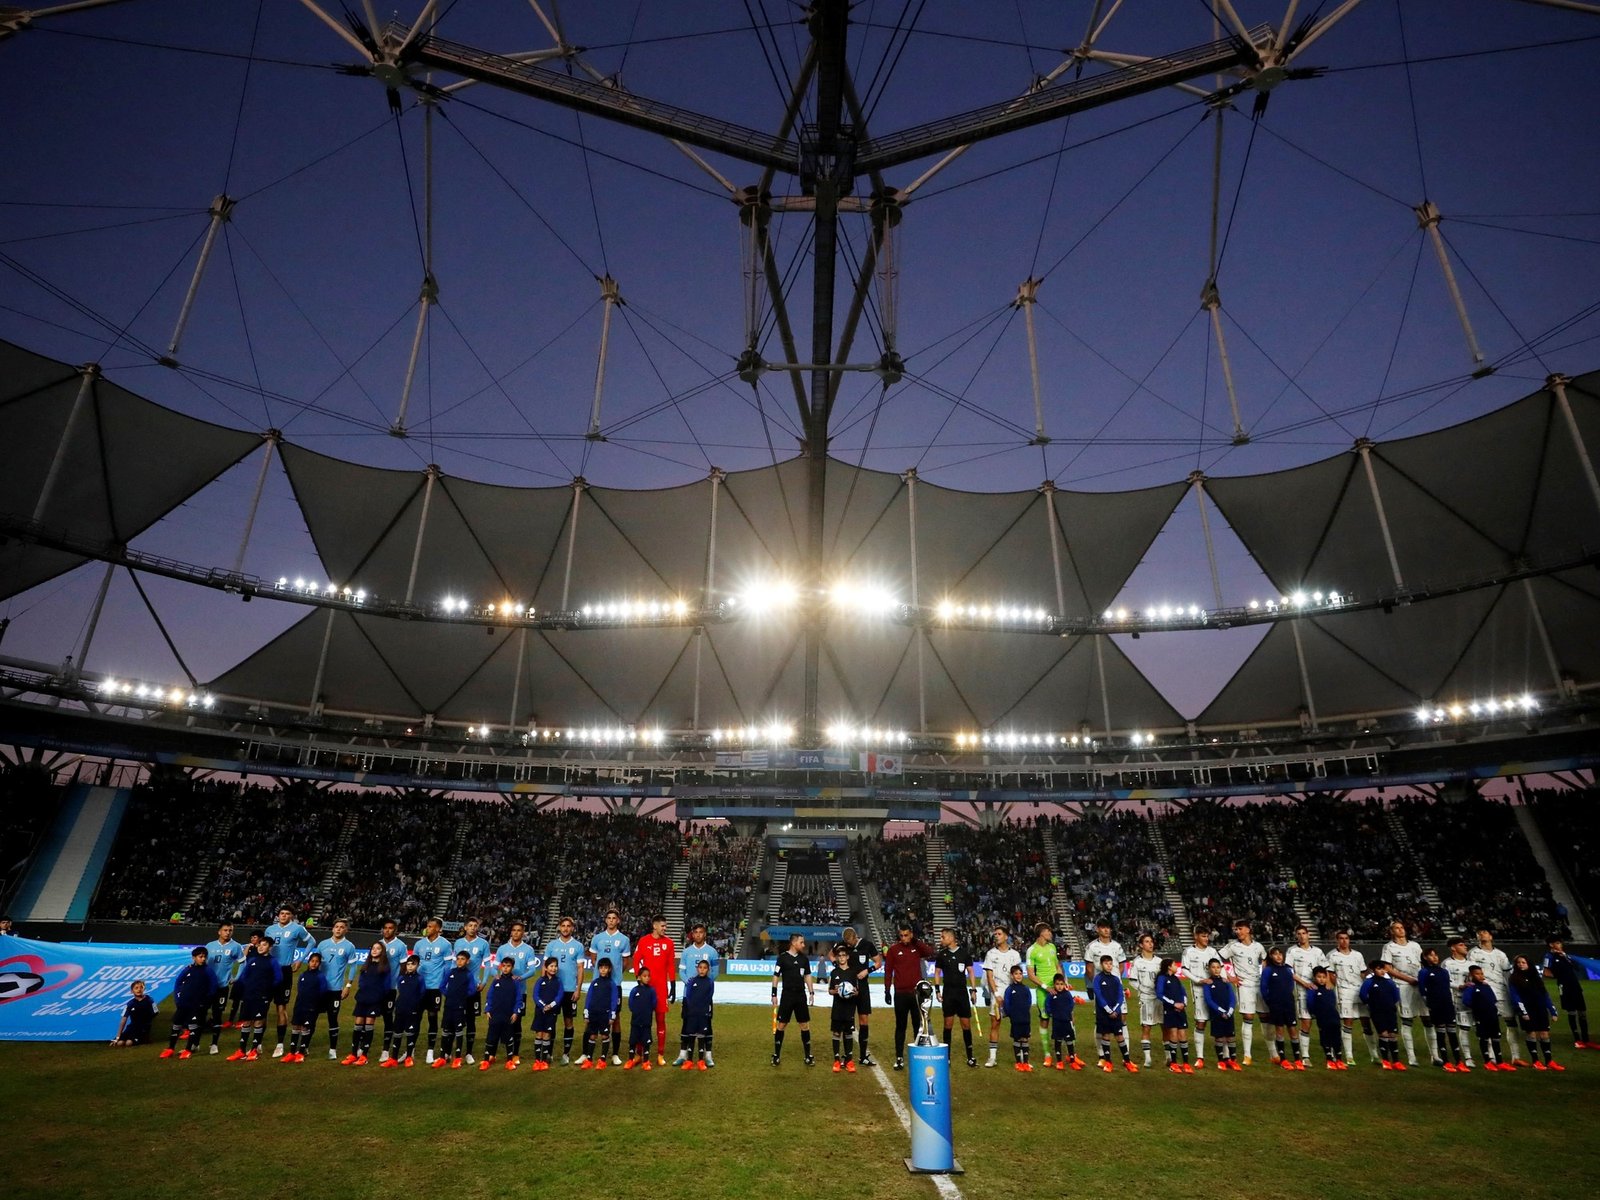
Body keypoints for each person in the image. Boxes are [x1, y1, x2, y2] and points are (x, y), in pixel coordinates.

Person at [263, 905, 314, 1058]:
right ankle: (257, 1043)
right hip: (268, 970)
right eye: (282, 913)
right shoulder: (269, 930)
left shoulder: (297, 929)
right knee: (263, 1006)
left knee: (281, 1007)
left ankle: (280, 1044)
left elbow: (312, 942)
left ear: (291, 916)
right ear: (278, 915)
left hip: (284, 970)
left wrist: (300, 959)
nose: (284, 916)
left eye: (287, 914)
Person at [1469, 928, 1524, 1066]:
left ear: (1491, 936)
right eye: (1479, 933)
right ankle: (1492, 1057)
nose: (1482, 934)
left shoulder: (1500, 954)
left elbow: (1507, 975)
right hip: (1486, 994)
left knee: (1511, 1023)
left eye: (1485, 932)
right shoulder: (1473, 953)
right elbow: (1470, 974)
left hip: (1502, 992)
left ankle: (1516, 1057)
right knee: (1489, 1026)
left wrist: (1511, 991)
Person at [884, 923, 935, 1070]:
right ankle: (899, 1057)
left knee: (917, 1026)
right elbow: (888, 971)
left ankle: (917, 1056)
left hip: (916, 994)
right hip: (900, 994)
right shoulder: (894, 950)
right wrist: (887, 990)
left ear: (911, 934)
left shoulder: (917, 948)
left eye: (906, 935)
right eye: (901, 935)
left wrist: (916, 941)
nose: (904, 938)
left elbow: (930, 951)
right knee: (900, 1026)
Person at [311, 918, 362, 1061]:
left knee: (332, 1019)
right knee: (312, 1017)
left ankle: (332, 1049)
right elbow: (314, 963)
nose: (338, 929)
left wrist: (348, 986)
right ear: (332, 929)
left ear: (346, 930)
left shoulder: (349, 946)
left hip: (335, 990)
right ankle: (304, 1047)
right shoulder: (323, 944)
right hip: (319, 989)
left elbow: (353, 966)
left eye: (342, 927)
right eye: (336, 926)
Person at [588, 908, 631, 1066]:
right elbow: (593, 958)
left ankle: (614, 1054)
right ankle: (588, 1053)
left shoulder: (624, 939)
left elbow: (626, 962)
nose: (611, 920)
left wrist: (616, 973)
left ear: (618, 920)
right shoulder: (597, 938)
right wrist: (602, 972)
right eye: (609, 918)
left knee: (616, 1018)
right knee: (592, 1015)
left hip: (615, 984)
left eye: (614, 918)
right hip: (598, 983)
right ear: (605, 920)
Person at [495, 921, 541, 1066]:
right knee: (498, 1021)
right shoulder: (502, 949)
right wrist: (496, 976)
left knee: (516, 1022)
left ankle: (515, 1054)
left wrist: (520, 977)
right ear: (511, 932)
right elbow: (494, 967)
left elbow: (533, 970)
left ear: (523, 933)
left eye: (519, 930)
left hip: (520, 992)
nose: (516, 932)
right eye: (514, 930)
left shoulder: (528, 949)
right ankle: (492, 1053)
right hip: (502, 992)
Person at [1382, 920, 1427, 1067]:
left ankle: (1435, 1055)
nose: (1400, 930)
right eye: (1397, 928)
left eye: (1402, 927)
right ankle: (1411, 1057)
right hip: (1402, 985)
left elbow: (1423, 962)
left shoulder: (1415, 945)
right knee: (1407, 1020)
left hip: (1419, 984)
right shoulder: (1389, 947)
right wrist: (1408, 979)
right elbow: (1388, 968)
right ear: (1392, 931)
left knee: (1428, 1019)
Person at [1220, 919, 1266, 1065]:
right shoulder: (1233, 946)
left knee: (1265, 1016)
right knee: (1248, 1016)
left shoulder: (1258, 946)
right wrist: (1228, 976)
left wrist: (1264, 974)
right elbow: (1216, 959)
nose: (1237, 931)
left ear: (1248, 929)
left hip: (1259, 985)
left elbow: (1265, 959)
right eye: (1236, 929)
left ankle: (1273, 1054)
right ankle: (1247, 1055)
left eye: (1240, 929)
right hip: (1244, 985)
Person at [1326, 929, 1375, 1066]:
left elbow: (1363, 973)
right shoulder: (1333, 955)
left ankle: (1374, 1054)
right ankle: (1349, 1056)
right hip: (1344, 992)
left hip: (1359, 991)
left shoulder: (1358, 955)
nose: (1344, 941)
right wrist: (1338, 986)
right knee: (1348, 1022)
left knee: (1366, 1022)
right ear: (1337, 940)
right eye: (1341, 938)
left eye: (1346, 938)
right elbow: (1330, 974)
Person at [633, 915, 677, 1066]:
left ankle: (660, 1054)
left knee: (660, 1021)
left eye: (666, 926)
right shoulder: (644, 941)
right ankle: (639, 1053)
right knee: (642, 1021)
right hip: (646, 988)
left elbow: (671, 965)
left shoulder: (669, 943)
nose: (665, 928)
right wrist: (639, 978)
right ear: (655, 926)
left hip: (661, 989)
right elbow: (636, 959)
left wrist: (673, 984)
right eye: (663, 926)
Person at [933, 928, 979, 1068]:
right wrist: (937, 990)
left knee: (966, 1024)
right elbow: (937, 972)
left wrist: (973, 990)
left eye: (943, 937)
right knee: (948, 1024)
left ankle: (970, 1056)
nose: (941, 940)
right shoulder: (942, 955)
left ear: (951, 938)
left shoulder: (964, 954)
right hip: (948, 993)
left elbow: (971, 972)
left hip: (962, 994)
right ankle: (946, 1057)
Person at [227, 937, 278, 1062]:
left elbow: (278, 978)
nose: (260, 947)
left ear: (270, 947)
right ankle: (241, 1050)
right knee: (246, 1022)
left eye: (264, 945)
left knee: (258, 1022)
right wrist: (247, 988)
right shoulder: (253, 960)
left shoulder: (273, 962)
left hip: (262, 996)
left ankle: (254, 1050)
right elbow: (244, 976)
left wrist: (266, 990)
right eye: (259, 944)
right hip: (249, 995)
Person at [543, 916, 585, 1065]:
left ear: (572, 928)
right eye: (563, 926)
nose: (566, 928)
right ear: (559, 927)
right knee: (551, 1021)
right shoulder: (551, 945)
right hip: (553, 989)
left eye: (569, 926)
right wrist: (544, 986)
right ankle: (549, 1053)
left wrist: (578, 989)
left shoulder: (578, 946)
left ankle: (566, 1054)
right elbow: (545, 966)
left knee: (568, 1021)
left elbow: (580, 969)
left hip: (569, 990)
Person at [413, 917, 455, 1064]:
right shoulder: (419, 944)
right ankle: (410, 1050)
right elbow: (414, 962)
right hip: (419, 987)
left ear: (438, 929)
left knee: (432, 1018)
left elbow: (448, 966)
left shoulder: (445, 944)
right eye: (427, 926)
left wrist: (443, 984)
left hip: (434, 987)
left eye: (431, 926)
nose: (428, 928)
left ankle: (430, 1051)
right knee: (415, 1017)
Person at [1510, 954, 1562, 1071]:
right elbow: (1515, 996)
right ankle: (1536, 1061)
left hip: (1540, 1009)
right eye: (1518, 963)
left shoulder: (1536, 977)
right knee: (1531, 1033)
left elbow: (1544, 994)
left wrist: (1552, 1011)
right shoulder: (1514, 978)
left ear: (1528, 963)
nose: (1521, 965)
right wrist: (1523, 1012)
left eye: (1523, 962)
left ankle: (1549, 1061)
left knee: (1544, 1033)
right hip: (1527, 1010)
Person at [1418, 947, 1467, 1071]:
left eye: (1435, 955)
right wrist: (1429, 1004)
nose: (1434, 957)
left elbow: (1448, 987)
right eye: (1431, 955)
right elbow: (1422, 990)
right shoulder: (1424, 972)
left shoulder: (1444, 971)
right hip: (1436, 1004)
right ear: (1425, 958)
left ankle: (1459, 1061)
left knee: (1452, 1032)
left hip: (1447, 1004)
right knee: (1441, 1032)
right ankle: (1446, 1062)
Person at [1284, 925, 1328, 1064]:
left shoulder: (1318, 951)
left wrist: (1326, 988)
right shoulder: (1292, 951)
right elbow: (1289, 972)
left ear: (1308, 935)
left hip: (1319, 992)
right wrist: (1304, 983)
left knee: (1324, 1023)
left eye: (1304, 933)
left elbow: (1325, 971)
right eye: (1299, 933)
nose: (1302, 936)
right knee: (1306, 1023)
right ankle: (1305, 1056)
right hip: (1303, 992)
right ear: (1296, 936)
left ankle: (1330, 1054)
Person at [160, 946, 213, 1060]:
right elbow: (178, 982)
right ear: (194, 958)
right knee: (176, 1025)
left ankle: (188, 1049)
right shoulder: (187, 969)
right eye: (200, 957)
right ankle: (170, 1048)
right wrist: (178, 999)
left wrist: (206, 1001)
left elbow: (213, 986)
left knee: (193, 1027)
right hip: (183, 1003)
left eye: (204, 957)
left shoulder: (208, 970)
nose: (203, 959)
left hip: (197, 1004)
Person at [839, 925, 881, 1066]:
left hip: (862, 988)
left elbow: (878, 962)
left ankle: (863, 1056)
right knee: (848, 1021)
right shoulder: (843, 945)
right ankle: (847, 1056)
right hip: (848, 988)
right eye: (846, 943)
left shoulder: (867, 945)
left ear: (854, 937)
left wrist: (867, 971)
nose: (848, 945)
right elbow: (832, 955)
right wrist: (837, 966)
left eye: (849, 942)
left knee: (863, 1020)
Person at [771, 932, 816, 1067]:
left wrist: (811, 992)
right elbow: (775, 976)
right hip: (787, 995)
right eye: (801, 942)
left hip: (800, 996)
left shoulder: (804, 959)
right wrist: (774, 994)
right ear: (794, 943)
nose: (803, 944)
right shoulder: (783, 958)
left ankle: (808, 1055)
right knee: (781, 1025)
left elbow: (807, 976)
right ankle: (776, 1055)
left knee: (804, 1025)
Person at [981, 926, 1021, 1068]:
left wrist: (1017, 992)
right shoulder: (991, 954)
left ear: (1006, 936)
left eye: (999, 934)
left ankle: (1021, 1057)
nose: (996, 936)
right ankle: (992, 1058)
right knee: (995, 1024)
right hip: (997, 992)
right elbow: (989, 976)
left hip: (1012, 992)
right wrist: (996, 994)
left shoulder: (1015, 954)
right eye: (995, 934)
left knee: (1017, 1024)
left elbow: (1017, 975)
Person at [1180, 928, 1222, 1069]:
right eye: (1203, 936)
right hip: (1199, 991)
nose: (1206, 939)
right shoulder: (1189, 952)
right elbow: (1184, 969)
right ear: (1196, 936)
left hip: (1215, 990)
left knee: (1220, 1022)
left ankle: (1225, 1057)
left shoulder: (1212, 951)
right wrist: (1198, 980)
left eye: (1207, 936)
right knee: (1201, 1022)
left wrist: (1228, 979)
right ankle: (1200, 1057)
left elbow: (1220, 967)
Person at [453, 917, 492, 1065]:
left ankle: (468, 1052)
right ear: (465, 927)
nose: (473, 928)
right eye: (470, 925)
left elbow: (488, 965)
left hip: (473, 987)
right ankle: (456, 1051)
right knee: (456, 1019)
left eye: (476, 926)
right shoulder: (458, 943)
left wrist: (483, 982)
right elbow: (452, 963)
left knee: (470, 1020)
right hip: (459, 987)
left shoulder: (483, 944)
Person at [1542, 936, 1591, 1051]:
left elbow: (1577, 968)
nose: (1560, 945)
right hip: (1564, 987)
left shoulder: (1564, 955)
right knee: (1572, 1012)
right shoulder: (1548, 956)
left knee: (1582, 1012)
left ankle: (1586, 1040)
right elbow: (1546, 972)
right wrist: (1561, 976)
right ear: (1551, 944)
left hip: (1575, 985)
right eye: (1558, 943)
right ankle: (1577, 1040)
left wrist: (1565, 956)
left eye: (1560, 943)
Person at [345, 942, 390, 1066]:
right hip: (362, 999)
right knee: (358, 1023)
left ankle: (364, 1055)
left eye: (378, 948)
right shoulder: (366, 966)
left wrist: (378, 996)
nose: (375, 950)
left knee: (369, 1023)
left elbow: (386, 986)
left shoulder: (384, 968)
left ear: (382, 951)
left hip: (374, 1000)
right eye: (373, 948)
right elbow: (361, 982)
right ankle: (354, 1054)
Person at [203, 922, 245, 1056]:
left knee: (217, 1015)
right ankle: (195, 1043)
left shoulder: (236, 946)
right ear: (219, 932)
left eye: (230, 930)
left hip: (222, 987)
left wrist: (237, 977)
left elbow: (243, 962)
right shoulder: (210, 946)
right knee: (200, 1013)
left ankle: (214, 1044)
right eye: (225, 930)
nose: (228, 932)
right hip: (207, 986)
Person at [434, 950, 478, 1069]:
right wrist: (449, 994)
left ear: (467, 961)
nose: (459, 961)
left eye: (462, 959)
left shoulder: (468, 974)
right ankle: (442, 1057)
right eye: (458, 959)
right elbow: (442, 986)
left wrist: (461, 996)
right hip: (448, 1006)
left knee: (459, 1031)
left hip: (460, 1007)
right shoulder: (450, 972)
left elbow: (472, 990)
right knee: (445, 1030)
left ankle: (457, 1058)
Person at [1091, 959, 1137, 1073]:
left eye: (1110, 963)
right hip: (1103, 1012)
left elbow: (1120, 996)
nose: (1109, 966)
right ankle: (1108, 1062)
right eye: (1106, 963)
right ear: (1101, 965)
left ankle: (1127, 1061)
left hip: (1116, 1012)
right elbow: (1098, 995)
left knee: (1119, 1035)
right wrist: (1108, 1009)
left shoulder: (1116, 979)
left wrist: (1116, 1009)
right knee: (1105, 1036)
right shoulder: (1098, 978)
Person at [1259, 946, 1301, 1069]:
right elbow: (1263, 987)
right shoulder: (1268, 970)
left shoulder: (1288, 969)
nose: (1278, 956)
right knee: (1280, 1031)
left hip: (1288, 1003)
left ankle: (1297, 1059)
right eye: (1275, 954)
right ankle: (1283, 1059)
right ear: (1271, 956)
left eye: (1280, 954)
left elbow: (1290, 986)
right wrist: (1270, 1001)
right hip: (1276, 1004)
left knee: (1293, 1030)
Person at [480, 956, 524, 1072]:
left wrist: (516, 1012)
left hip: (508, 1015)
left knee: (509, 1038)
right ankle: (486, 1060)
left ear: (512, 967)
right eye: (503, 966)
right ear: (501, 967)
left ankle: (509, 1061)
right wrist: (488, 1009)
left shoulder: (515, 982)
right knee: (491, 1038)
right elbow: (489, 996)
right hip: (495, 1014)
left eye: (508, 966)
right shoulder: (496, 980)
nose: (505, 969)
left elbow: (519, 999)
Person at [1463, 964, 1510, 1071]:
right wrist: (1478, 1007)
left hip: (1492, 1015)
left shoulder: (1486, 986)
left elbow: (1493, 999)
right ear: (1471, 975)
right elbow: (1466, 1001)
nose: (1480, 976)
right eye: (1477, 974)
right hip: (1481, 1016)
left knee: (1496, 1037)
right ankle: (1487, 1061)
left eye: (1481, 973)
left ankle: (1500, 1061)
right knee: (1484, 1038)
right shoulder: (1471, 988)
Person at [1359, 960, 1404, 1070]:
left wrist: (1391, 1004)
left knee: (1392, 1034)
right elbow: (1363, 994)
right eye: (1379, 969)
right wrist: (1371, 1004)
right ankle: (1386, 1061)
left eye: (1383, 969)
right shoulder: (1369, 982)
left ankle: (1396, 1061)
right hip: (1377, 1012)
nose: (1382, 971)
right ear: (1374, 970)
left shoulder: (1389, 982)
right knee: (1383, 1034)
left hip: (1390, 1011)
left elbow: (1396, 995)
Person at [1128, 932, 1163, 1068]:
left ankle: (1168, 1057)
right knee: (1146, 1027)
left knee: (1164, 1026)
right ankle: (1147, 1058)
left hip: (1160, 999)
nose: (1150, 944)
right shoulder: (1137, 962)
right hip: (1146, 998)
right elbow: (1132, 981)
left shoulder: (1159, 962)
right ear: (1141, 945)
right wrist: (1142, 989)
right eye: (1147, 942)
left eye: (1151, 941)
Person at [580, 957, 621, 1071]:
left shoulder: (611, 984)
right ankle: (589, 1059)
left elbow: (614, 999)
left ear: (609, 969)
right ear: (598, 969)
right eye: (601, 968)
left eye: (605, 968)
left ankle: (602, 1060)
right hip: (593, 1013)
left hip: (605, 1014)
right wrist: (586, 1011)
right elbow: (589, 997)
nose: (603, 970)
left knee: (604, 1036)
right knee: (592, 1035)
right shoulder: (594, 983)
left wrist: (612, 1014)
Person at [283, 950, 325, 1064]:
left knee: (305, 1028)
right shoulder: (303, 975)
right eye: (312, 961)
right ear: (308, 962)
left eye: (317, 962)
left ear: (319, 964)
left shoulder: (320, 976)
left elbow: (322, 991)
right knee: (296, 1026)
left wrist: (316, 1004)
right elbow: (300, 989)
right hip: (299, 1005)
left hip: (311, 1006)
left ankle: (301, 1052)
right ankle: (292, 1052)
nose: (314, 963)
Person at [1443, 937, 1479, 1068]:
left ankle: (1490, 1056)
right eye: (1461, 945)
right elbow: (1445, 980)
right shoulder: (1447, 964)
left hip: (1474, 1000)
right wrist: (1460, 986)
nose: (1465, 947)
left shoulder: (1471, 963)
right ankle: (1468, 1058)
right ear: (1453, 948)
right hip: (1457, 999)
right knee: (1464, 1028)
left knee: (1480, 1028)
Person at [826, 944, 861, 1074]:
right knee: (836, 1033)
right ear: (836, 957)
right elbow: (830, 991)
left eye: (843, 956)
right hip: (837, 1008)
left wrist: (852, 992)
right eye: (839, 956)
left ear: (847, 957)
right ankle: (836, 1060)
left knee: (848, 1033)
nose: (841, 958)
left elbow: (857, 991)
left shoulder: (852, 973)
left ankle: (849, 1061)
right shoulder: (834, 972)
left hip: (849, 1008)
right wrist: (836, 991)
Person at [377, 918, 409, 1063]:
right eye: (385, 928)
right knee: (367, 1018)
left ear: (395, 930)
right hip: (376, 987)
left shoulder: (401, 946)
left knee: (388, 1018)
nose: (387, 930)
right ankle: (362, 1048)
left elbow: (403, 967)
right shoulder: (377, 945)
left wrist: (400, 985)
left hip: (390, 988)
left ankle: (385, 1050)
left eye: (390, 928)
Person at [1024, 924, 1061, 1043]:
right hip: (1043, 991)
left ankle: (1071, 1054)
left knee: (1066, 1017)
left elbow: (1057, 966)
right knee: (1045, 1019)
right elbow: (1030, 974)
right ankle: (1047, 1054)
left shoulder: (1052, 947)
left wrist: (1062, 982)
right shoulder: (1032, 950)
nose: (1050, 933)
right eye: (1048, 931)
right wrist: (1046, 987)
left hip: (1057, 988)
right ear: (1041, 933)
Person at [385, 955, 424, 1067]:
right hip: (400, 1009)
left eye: (413, 964)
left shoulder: (420, 979)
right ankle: (393, 1058)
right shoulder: (401, 978)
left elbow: (421, 994)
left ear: (417, 966)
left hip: (412, 1010)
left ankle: (409, 1057)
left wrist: (415, 1007)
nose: (410, 966)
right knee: (397, 1033)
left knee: (410, 1033)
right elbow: (400, 992)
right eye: (408, 964)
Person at [529, 955, 567, 1070]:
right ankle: (537, 1060)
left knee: (547, 1035)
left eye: (555, 966)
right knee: (539, 1034)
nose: (553, 968)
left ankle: (544, 1060)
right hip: (540, 1012)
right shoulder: (540, 981)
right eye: (551, 966)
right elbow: (535, 995)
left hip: (552, 1012)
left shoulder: (559, 982)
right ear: (545, 968)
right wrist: (542, 1006)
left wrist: (551, 1006)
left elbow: (560, 996)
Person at [1201, 960, 1239, 1071]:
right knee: (1219, 1037)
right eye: (1213, 967)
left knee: (1231, 1037)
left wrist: (1230, 1010)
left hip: (1228, 1013)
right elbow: (1208, 1000)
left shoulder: (1225, 982)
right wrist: (1221, 1011)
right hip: (1217, 1015)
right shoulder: (1208, 983)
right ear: (1209, 969)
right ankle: (1221, 1061)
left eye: (1218, 967)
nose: (1216, 969)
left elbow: (1232, 998)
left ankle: (1233, 1060)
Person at [678, 956, 715, 1070]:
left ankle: (700, 1060)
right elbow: (688, 996)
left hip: (702, 1014)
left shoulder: (710, 982)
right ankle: (689, 1061)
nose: (702, 970)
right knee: (691, 1037)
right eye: (700, 968)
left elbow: (709, 996)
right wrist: (689, 1010)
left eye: (705, 968)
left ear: (708, 970)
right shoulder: (692, 981)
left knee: (701, 1037)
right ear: (697, 969)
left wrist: (706, 1010)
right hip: (692, 1014)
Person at [1158, 957, 1191, 1073]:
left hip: (1180, 1010)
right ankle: (1173, 1063)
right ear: (1169, 967)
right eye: (1174, 964)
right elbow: (1160, 994)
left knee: (1182, 1034)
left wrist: (1183, 1003)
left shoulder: (1176, 979)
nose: (1176, 966)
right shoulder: (1162, 978)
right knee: (1173, 1033)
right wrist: (1173, 1004)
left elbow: (1183, 992)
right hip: (1170, 1010)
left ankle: (1186, 1063)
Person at [1308, 967, 1345, 1070]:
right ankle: (1329, 1059)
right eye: (1319, 977)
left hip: (1334, 1017)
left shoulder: (1329, 989)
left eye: (1324, 977)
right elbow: (1310, 1004)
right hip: (1322, 1018)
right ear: (1314, 977)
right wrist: (1315, 1013)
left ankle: (1339, 1059)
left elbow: (1333, 1002)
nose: (1321, 979)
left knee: (1337, 1038)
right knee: (1325, 1038)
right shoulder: (1313, 990)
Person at [1045, 974, 1082, 1071]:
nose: (1059, 986)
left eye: (1061, 984)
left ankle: (1072, 1061)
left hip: (1066, 1022)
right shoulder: (1051, 995)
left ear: (1064, 984)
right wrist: (1051, 1013)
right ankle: (1059, 1062)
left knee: (1069, 1041)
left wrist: (1069, 1015)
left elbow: (1071, 1005)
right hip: (1057, 1022)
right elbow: (1047, 1005)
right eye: (1057, 984)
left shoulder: (1067, 994)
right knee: (1058, 1041)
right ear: (1054, 985)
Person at [1001, 964, 1033, 1071]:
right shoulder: (1010, 989)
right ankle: (1018, 1062)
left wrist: (1025, 1012)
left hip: (1025, 1018)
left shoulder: (1026, 989)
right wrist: (1011, 1014)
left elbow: (1029, 1002)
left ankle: (1026, 1062)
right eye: (1016, 974)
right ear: (1012, 975)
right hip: (1015, 1019)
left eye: (1020, 973)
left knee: (1025, 1038)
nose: (1018, 976)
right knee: (1017, 1038)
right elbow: (1007, 1003)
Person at [625, 967, 657, 1070]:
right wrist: (636, 1012)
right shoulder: (635, 990)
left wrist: (647, 1012)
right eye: (644, 976)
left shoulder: (651, 991)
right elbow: (630, 1004)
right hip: (635, 1022)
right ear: (639, 977)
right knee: (633, 1041)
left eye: (648, 976)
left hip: (646, 1022)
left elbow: (654, 1003)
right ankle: (630, 1060)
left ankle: (646, 1061)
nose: (647, 978)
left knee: (646, 1042)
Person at [112, 980, 155, 1047]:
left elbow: (155, 1012)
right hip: (132, 1027)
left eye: (141, 987)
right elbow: (124, 1019)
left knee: (128, 1043)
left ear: (144, 989)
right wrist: (118, 1037)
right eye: (136, 988)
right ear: (132, 991)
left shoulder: (149, 1000)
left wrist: (147, 1024)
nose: (139, 989)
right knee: (119, 1043)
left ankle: (144, 1039)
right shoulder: (130, 1004)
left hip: (142, 1028)